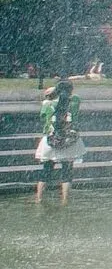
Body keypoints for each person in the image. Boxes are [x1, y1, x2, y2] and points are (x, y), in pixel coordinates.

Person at [33, 77, 84, 205]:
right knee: (67, 171)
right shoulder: (75, 101)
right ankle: (64, 200)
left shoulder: (48, 104)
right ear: (71, 90)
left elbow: (42, 116)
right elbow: (74, 96)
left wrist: (52, 91)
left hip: (51, 139)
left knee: (46, 169)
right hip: (69, 140)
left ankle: (38, 198)